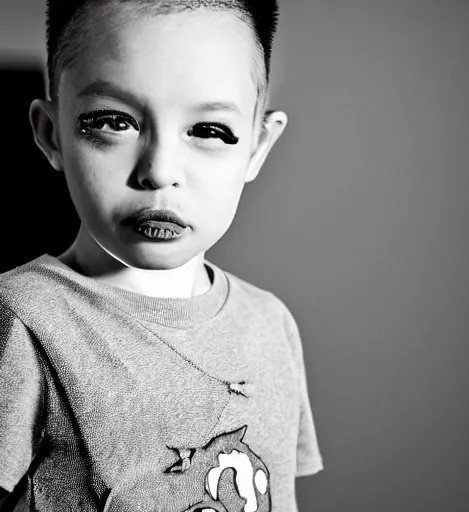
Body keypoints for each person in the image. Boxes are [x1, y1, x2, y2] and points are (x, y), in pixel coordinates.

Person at [0, 0, 323, 510]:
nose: (159, 170)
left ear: (257, 147)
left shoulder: (271, 324)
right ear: (51, 134)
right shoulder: (23, 319)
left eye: (209, 131)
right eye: (113, 121)